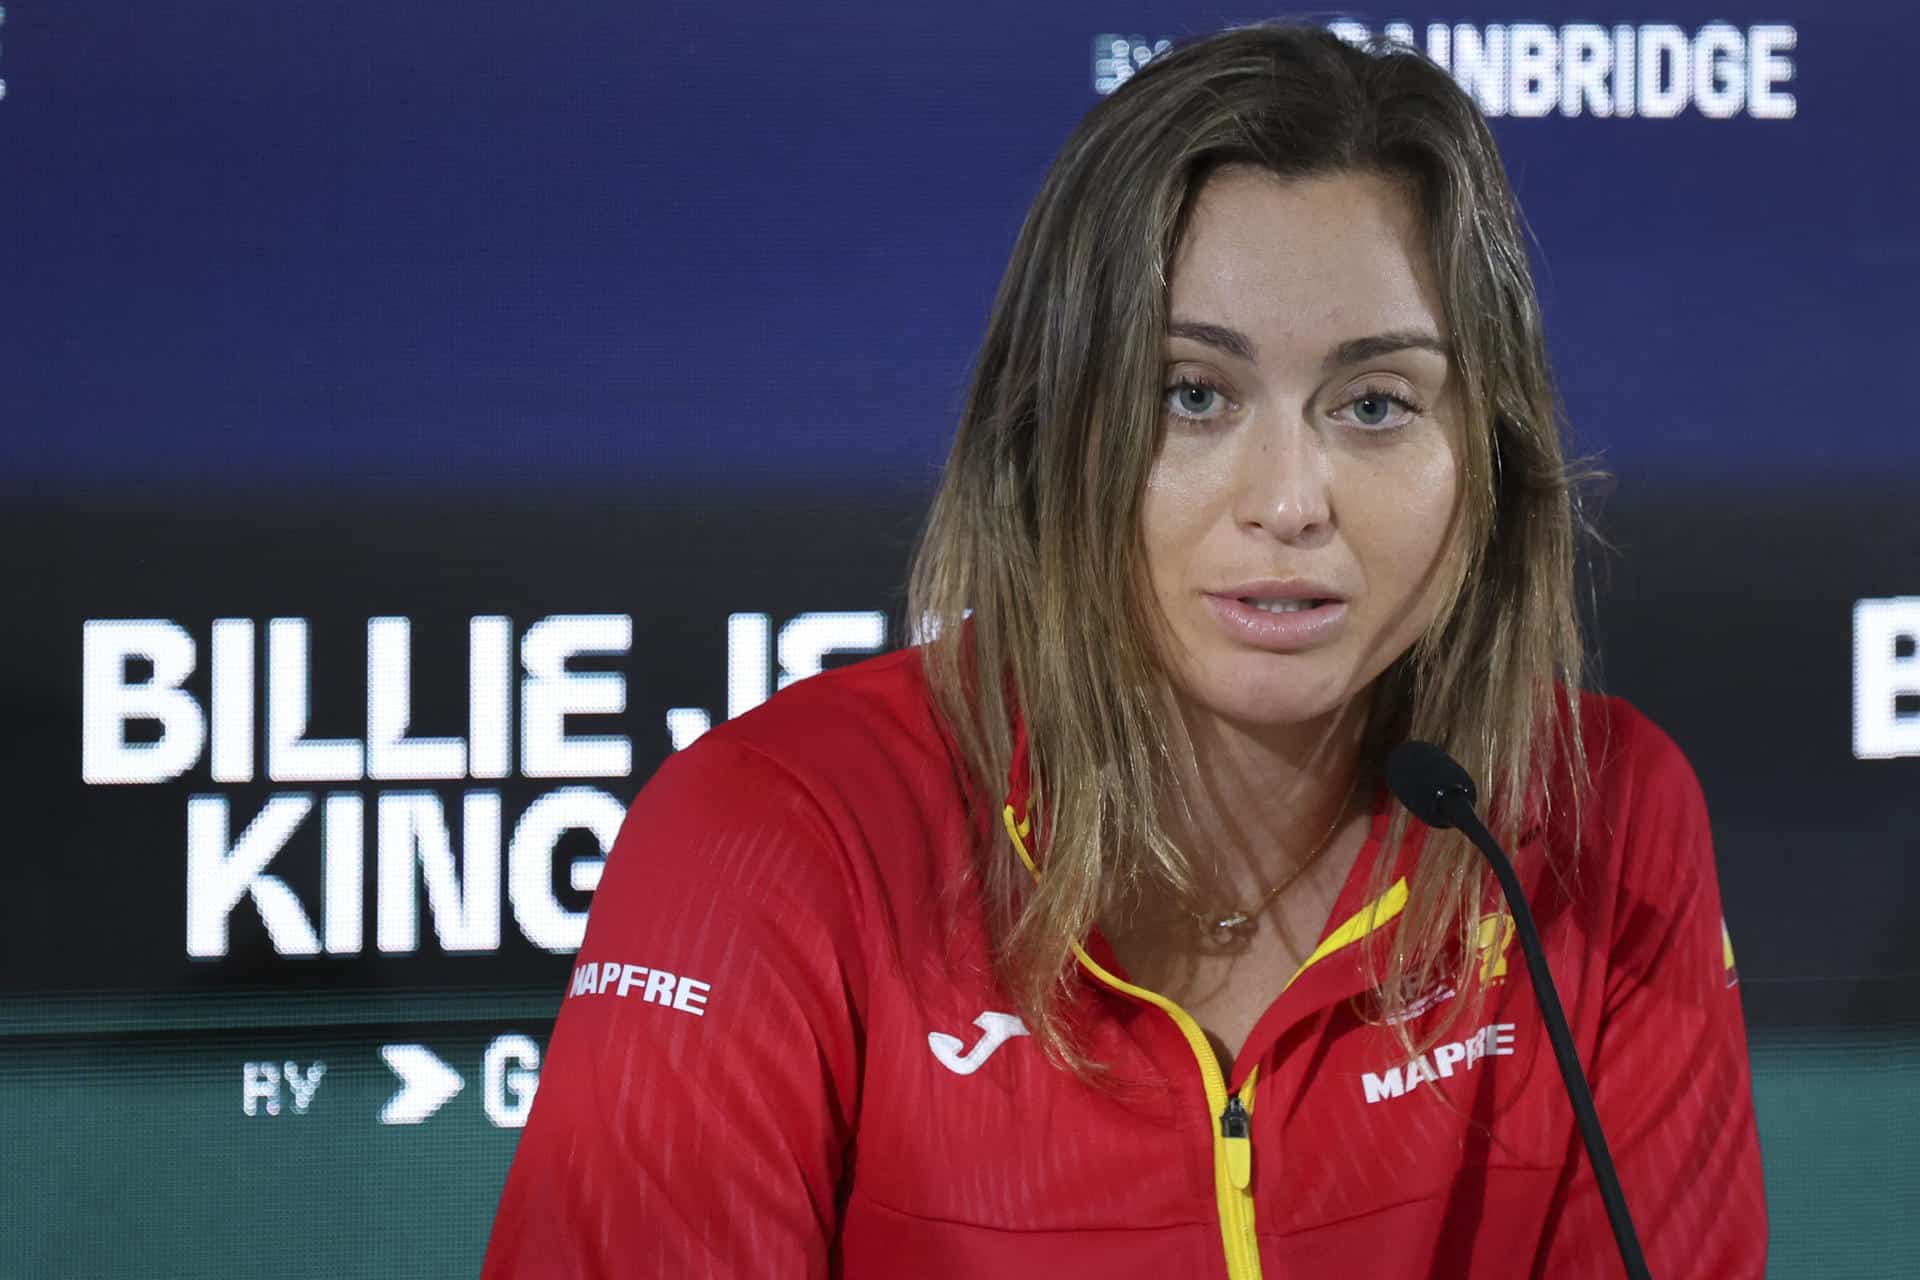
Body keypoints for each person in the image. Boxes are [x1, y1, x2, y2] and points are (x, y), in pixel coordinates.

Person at [481, 20, 1766, 1277]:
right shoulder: (777, 835)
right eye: (1190, 395)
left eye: (1376, 404)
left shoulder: (1603, 817)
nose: (1290, 498)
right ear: (1050, 431)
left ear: (1488, 452)